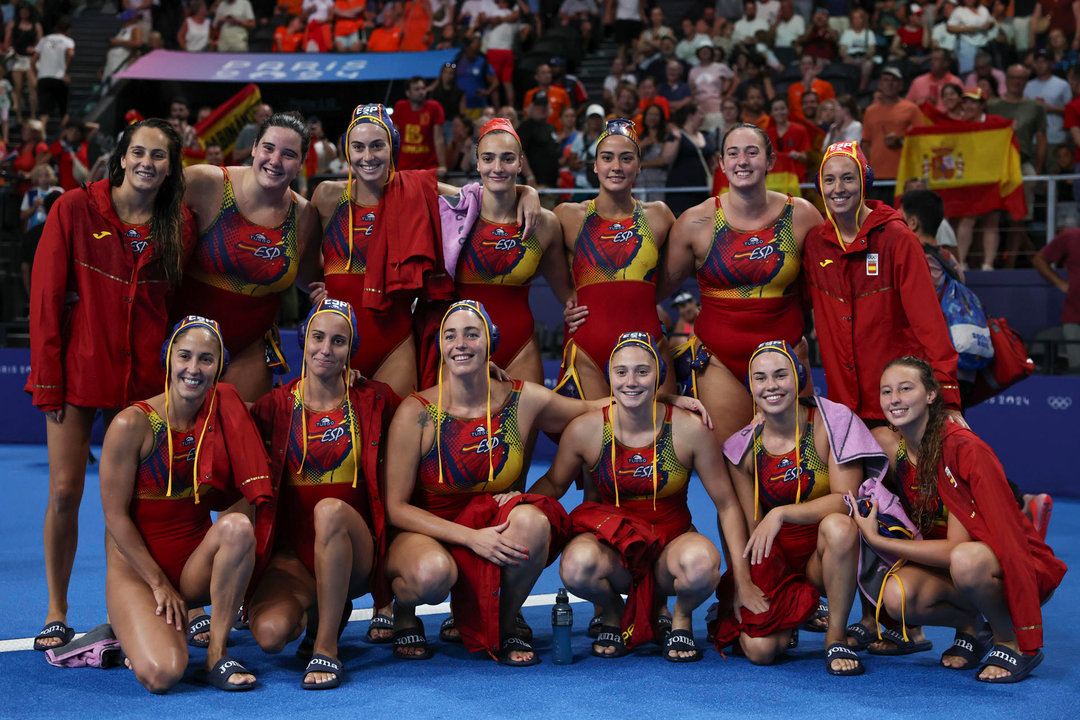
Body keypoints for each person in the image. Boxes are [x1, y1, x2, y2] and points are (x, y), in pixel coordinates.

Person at [26, 118, 196, 653]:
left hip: (145, 382)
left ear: (171, 168)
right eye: (139, 153)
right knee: (63, 491)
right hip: (79, 374)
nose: (147, 163)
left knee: (127, 504)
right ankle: (57, 609)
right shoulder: (73, 209)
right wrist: (48, 381)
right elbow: (46, 300)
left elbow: (181, 306)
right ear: (121, 157)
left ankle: (121, 610)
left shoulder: (179, 224)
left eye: (160, 156)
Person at [529, 332, 764, 662]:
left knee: (701, 564)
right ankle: (613, 610)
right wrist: (514, 505)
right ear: (609, 377)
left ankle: (681, 616)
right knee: (576, 566)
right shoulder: (585, 430)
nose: (631, 381)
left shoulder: (689, 429)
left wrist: (743, 581)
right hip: (615, 552)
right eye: (621, 372)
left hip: (671, 546)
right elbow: (553, 485)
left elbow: (726, 504)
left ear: (659, 376)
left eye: (642, 371)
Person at [382, 302, 581, 664]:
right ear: (440, 346)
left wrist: (664, 398)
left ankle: (500, 624)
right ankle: (404, 612)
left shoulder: (523, 398)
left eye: (472, 334)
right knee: (433, 574)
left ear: (490, 342)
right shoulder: (417, 413)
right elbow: (395, 508)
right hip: (429, 535)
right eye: (451, 335)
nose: (461, 343)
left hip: (488, 528)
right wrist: (471, 538)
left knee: (533, 523)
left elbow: (598, 410)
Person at [849, 356, 1067, 683]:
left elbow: (961, 548)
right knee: (895, 597)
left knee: (966, 560)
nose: (894, 398)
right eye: (886, 391)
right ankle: (973, 628)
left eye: (906, 389)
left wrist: (879, 541)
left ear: (931, 395)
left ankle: (1009, 640)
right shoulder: (887, 445)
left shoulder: (964, 449)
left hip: (1000, 565)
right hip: (949, 566)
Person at [307, 104, 537, 399]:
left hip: (396, 344)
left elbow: (481, 193)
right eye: (358, 147)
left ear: (392, 147)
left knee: (394, 432)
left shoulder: (416, 190)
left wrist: (527, 192)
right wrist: (319, 288)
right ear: (347, 151)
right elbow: (305, 263)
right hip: (333, 337)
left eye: (377, 145)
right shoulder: (327, 196)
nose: (368, 156)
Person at [100, 317, 273, 693]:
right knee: (163, 675)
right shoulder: (133, 424)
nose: (193, 369)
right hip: (138, 572)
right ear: (168, 360)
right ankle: (125, 630)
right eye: (185, 356)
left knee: (238, 528)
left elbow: (287, 410)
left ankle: (216, 652)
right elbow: (114, 517)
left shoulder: (224, 415)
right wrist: (158, 583)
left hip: (192, 566)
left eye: (206, 359)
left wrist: (344, 379)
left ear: (219, 366)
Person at [247, 299, 398, 689]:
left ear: (352, 350)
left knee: (330, 511)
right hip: (294, 558)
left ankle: (326, 647)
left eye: (338, 341)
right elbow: (223, 414)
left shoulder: (374, 399)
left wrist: (486, 377)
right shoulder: (276, 406)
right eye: (317, 337)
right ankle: (322, 607)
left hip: (355, 550)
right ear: (303, 338)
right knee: (269, 635)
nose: (325, 350)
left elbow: (434, 408)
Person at [708, 340, 880, 675]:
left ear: (799, 377)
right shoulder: (742, 448)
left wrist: (782, 512)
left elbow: (847, 501)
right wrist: (743, 584)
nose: (771, 386)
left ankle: (835, 637)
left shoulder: (831, 423)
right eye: (760, 378)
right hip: (776, 556)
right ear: (750, 387)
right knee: (758, 650)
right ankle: (791, 619)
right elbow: (748, 525)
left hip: (823, 551)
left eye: (780, 375)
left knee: (840, 527)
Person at [662, 123, 822, 446]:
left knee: (799, 460)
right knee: (733, 460)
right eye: (733, 154)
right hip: (720, 363)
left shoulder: (802, 216)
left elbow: (831, 289)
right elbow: (648, 291)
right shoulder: (695, 222)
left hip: (788, 355)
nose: (742, 161)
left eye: (752, 152)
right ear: (721, 164)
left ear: (770, 161)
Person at [803, 141, 961, 440]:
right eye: (829, 179)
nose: (838, 188)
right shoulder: (814, 244)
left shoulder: (898, 238)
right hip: (845, 407)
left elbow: (930, 324)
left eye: (848, 178)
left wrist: (949, 397)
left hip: (898, 405)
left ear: (866, 181)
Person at [178, 111, 320, 402]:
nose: (275, 160)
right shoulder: (203, 182)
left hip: (249, 347)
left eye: (289, 154)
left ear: (302, 164)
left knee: (239, 434)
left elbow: (312, 280)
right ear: (254, 147)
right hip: (181, 340)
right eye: (268, 148)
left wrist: (339, 287)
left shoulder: (305, 216)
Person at [440, 118, 573, 386]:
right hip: (460, 348)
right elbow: (410, 184)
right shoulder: (456, 210)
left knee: (522, 427)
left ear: (521, 163)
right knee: (461, 427)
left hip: (520, 348)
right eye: (488, 159)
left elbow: (569, 295)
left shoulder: (544, 224)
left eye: (507, 159)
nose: (497, 168)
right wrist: (527, 189)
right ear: (477, 163)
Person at [555, 119, 677, 402]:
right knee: (596, 443)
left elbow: (684, 268)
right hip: (587, 351)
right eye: (607, 158)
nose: (616, 167)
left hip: (650, 346)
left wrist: (648, 298)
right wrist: (568, 297)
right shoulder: (568, 216)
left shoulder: (659, 216)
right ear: (595, 165)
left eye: (626, 158)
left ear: (639, 166)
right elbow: (543, 262)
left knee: (661, 442)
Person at [861, 67, 927, 197]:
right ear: (880, 84)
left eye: (894, 80)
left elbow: (921, 140)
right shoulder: (870, 111)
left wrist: (900, 141)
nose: (889, 84)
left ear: (901, 85)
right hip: (876, 176)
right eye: (885, 80)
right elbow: (866, 143)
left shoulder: (911, 109)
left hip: (903, 174)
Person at [1032, 227, 1080, 372]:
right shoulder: (1071, 236)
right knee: (1077, 372)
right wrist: (1060, 284)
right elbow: (1039, 259)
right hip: (1075, 317)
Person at [393, 76, 448, 177]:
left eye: (423, 88)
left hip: (428, 169)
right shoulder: (400, 107)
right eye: (417, 89)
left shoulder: (434, 107)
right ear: (408, 93)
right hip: (404, 169)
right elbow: (394, 138)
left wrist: (443, 165)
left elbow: (439, 139)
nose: (421, 92)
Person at [31, 16, 74, 128]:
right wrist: (66, 72)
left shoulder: (44, 39)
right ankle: (61, 137)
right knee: (63, 111)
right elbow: (70, 54)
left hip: (43, 77)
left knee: (44, 111)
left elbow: (33, 61)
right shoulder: (68, 41)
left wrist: (38, 73)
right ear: (68, 30)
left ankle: (41, 136)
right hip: (59, 78)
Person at [4, 2, 42, 124]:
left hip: (30, 59)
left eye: (26, 11)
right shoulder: (13, 24)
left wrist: (34, 49)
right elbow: (7, 42)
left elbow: (41, 43)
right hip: (18, 57)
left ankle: (33, 114)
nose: (24, 13)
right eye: (22, 11)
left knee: (33, 86)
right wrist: (11, 49)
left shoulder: (36, 25)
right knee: (18, 87)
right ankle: (19, 115)